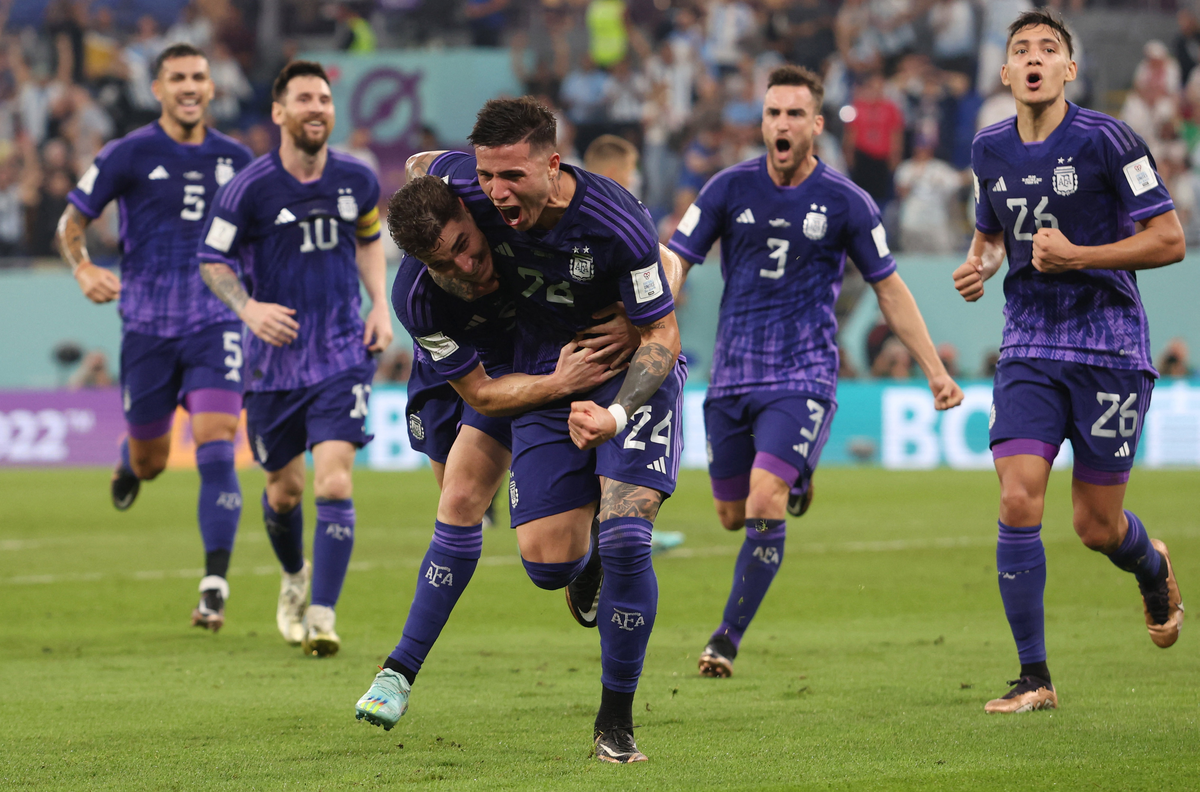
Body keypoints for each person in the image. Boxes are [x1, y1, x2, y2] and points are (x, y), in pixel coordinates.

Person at [667, 64, 963, 680]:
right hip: (732, 375)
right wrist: (654, 316)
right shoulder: (726, 189)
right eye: (773, 113)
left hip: (803, 371)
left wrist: (933, 367)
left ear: (816, 125)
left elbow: (890, 289)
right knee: (731, 515)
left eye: (794, 114)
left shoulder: (846, 202)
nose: (781, 123)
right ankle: (795, 479)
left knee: (764, 498)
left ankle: (724, 639)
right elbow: (675, 259)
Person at [953, 9, 1185, 715]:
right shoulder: (988, 148)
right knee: (1018, 495)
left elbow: (1170, 239)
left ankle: (1152, 565)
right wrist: (979, 264)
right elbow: (990, 231)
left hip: (1108, 346)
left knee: (1095, 525)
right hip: (1028, 342)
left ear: (1068, 70)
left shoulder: (1109, 139)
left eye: (1047, 49)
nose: (1033, 59)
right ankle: (1034, 677)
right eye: (1020, 49)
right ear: (1004, 72)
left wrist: (1080, 255)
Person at [356, 170, 637, 732]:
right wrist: (558, 386)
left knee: (547, 562)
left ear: (468, 210)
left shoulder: (492, 192)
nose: (466, 264)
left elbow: (651, 254)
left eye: (465, 245)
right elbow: (481, 393)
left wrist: (636, 318)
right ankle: (398, 674)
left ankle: (593, 542)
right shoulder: (418, 301)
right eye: (444, 263)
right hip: (478, 369)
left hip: (550, 345)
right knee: (457, 498)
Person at [197, 60, 393, 658]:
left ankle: (323, 616)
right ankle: (293, 578)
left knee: (334, 480)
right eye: (304, 98)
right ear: (279, 112)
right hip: (272, 365)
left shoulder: (357, 179)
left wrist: (380, 305)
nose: (317, 108)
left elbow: (367, 240)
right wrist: (249, 309)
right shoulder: (249, 188)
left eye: (325, 99)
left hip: (340, 352)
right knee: (284, 492)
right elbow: (212, 259)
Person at [57, 42, 253, 632]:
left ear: (212, 87)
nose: (190, 86)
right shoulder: (128, 152)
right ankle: (129, 461)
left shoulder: (239, 159)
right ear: (159, 89)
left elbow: (262, 233)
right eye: (177, 78)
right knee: (153, 461)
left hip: (215, 321)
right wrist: (84, 267)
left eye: (199, 76)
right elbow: (72, 221)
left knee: (217, 441)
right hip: (145, 328)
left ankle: (214, 584)